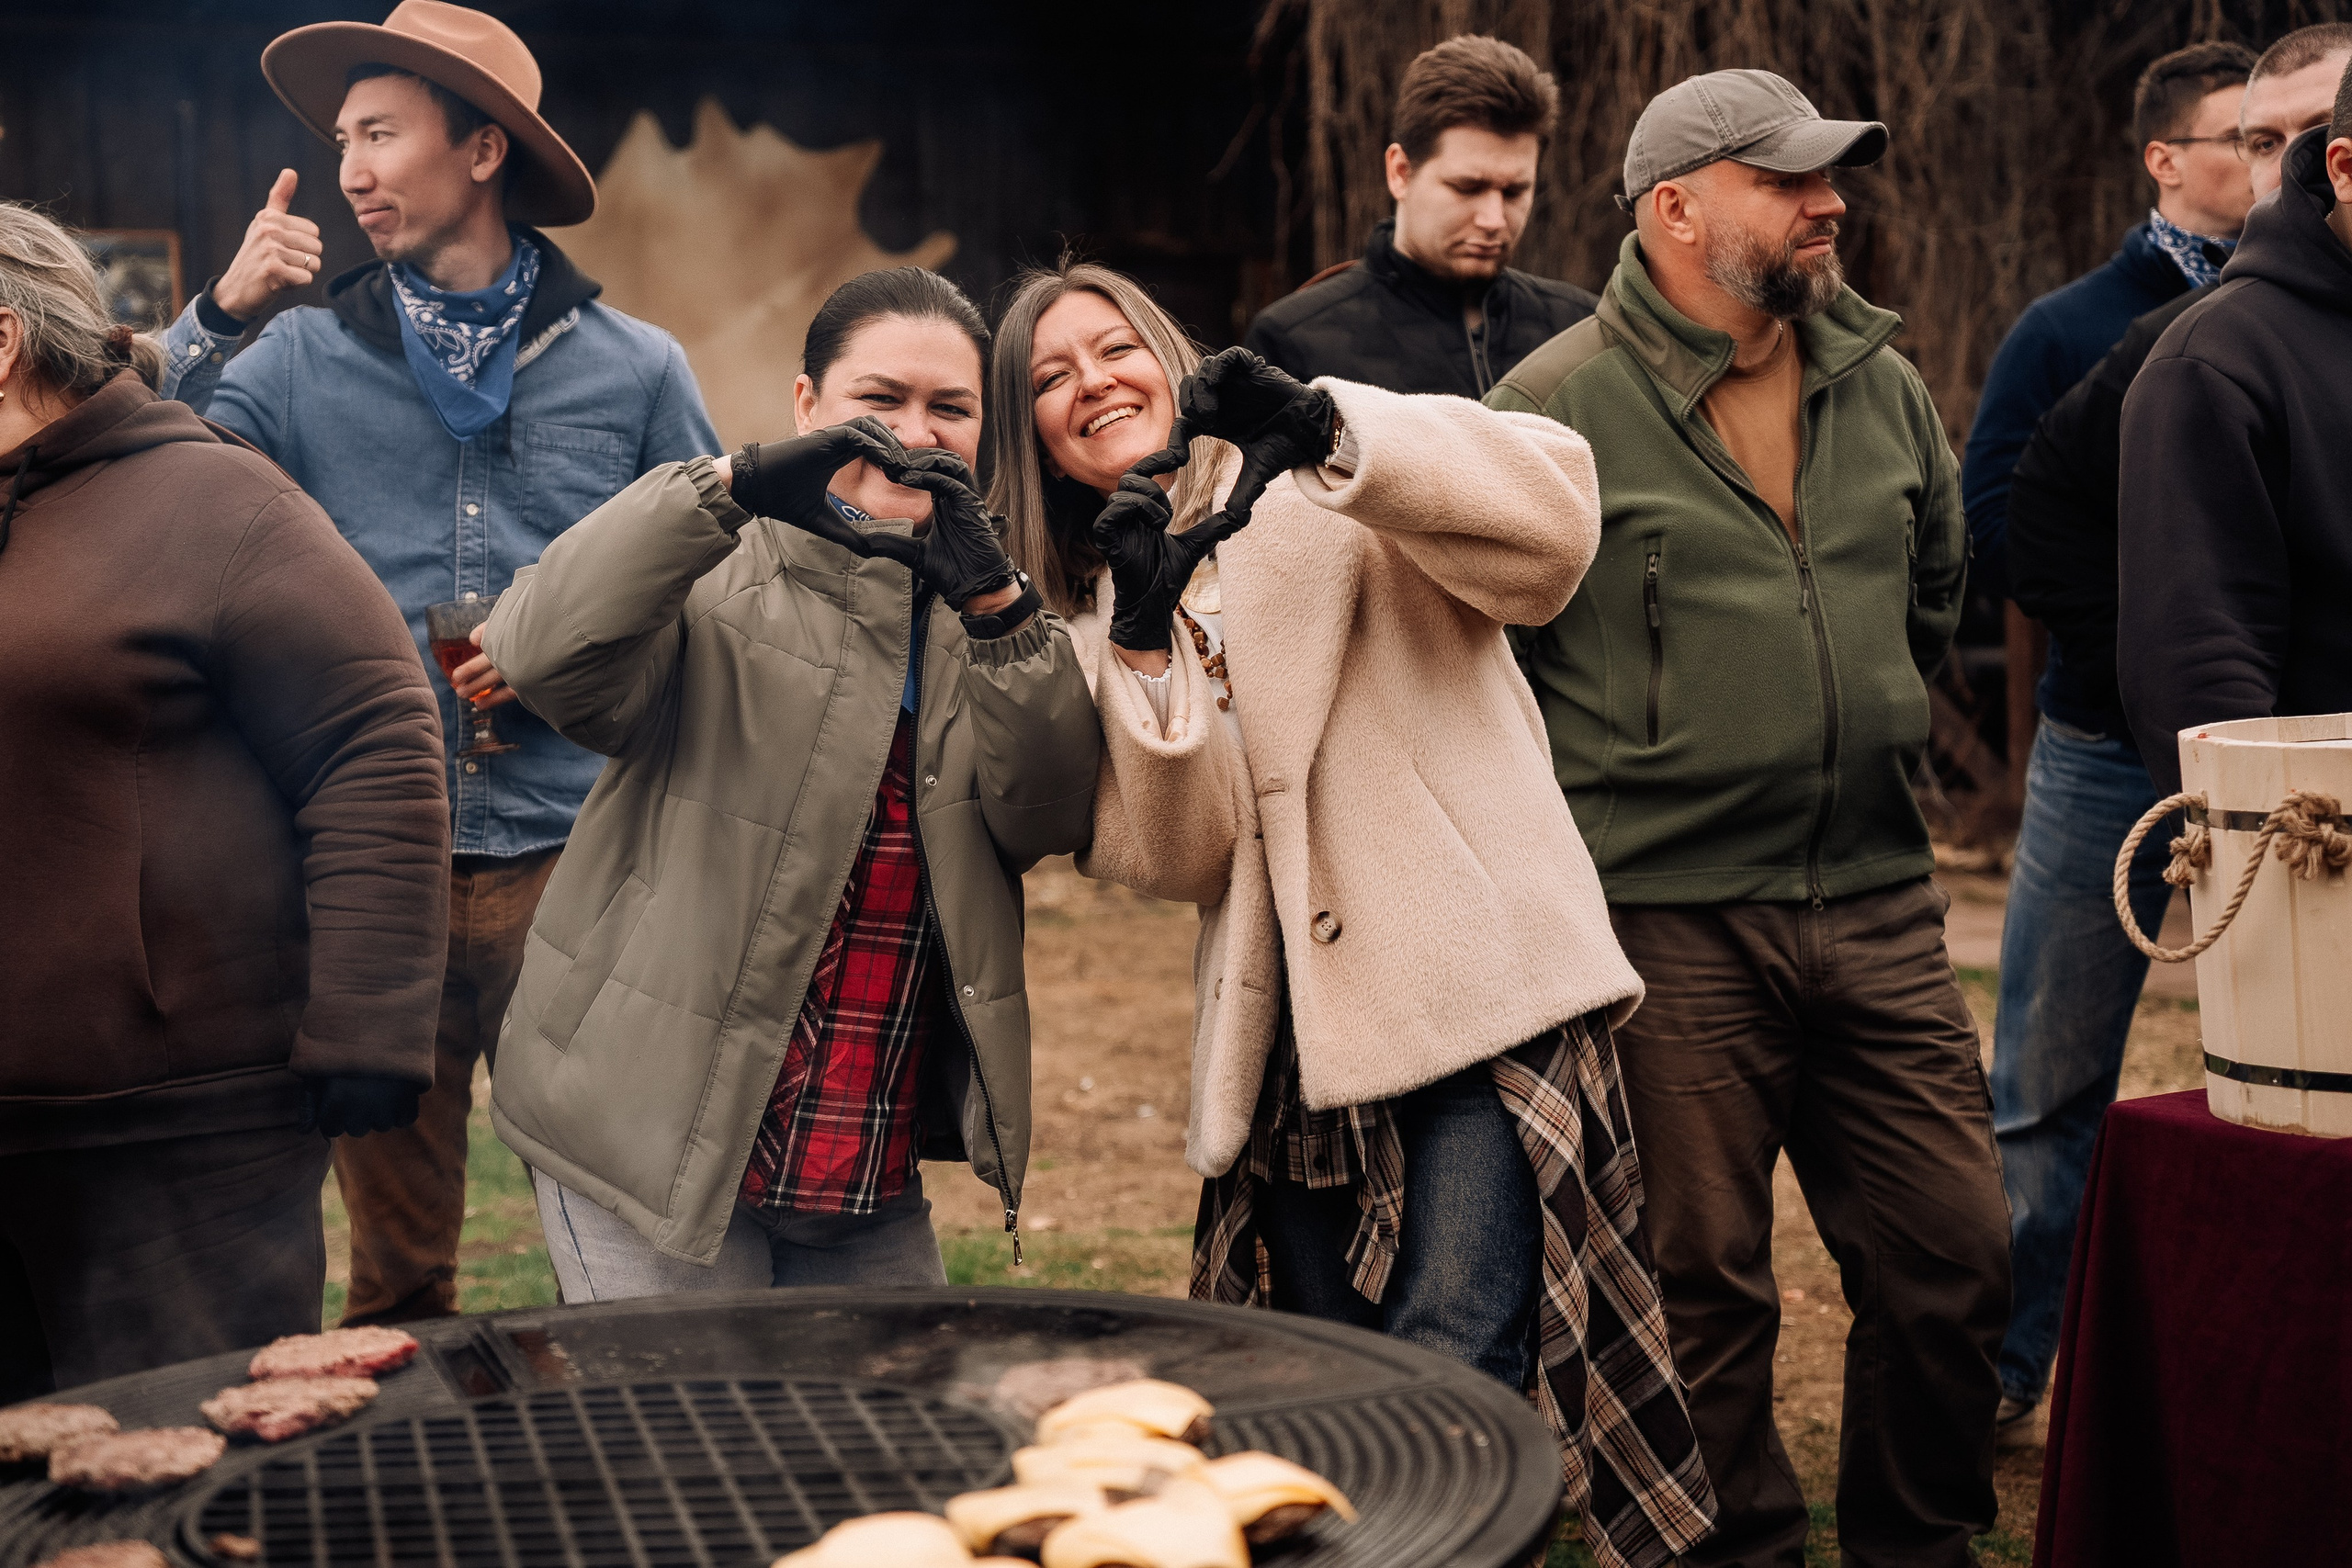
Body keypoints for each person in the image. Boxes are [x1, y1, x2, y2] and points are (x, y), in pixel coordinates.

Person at [992, 259, 1714, 1568]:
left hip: (1474, 987)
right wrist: (1148, 640)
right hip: (1294, 1042)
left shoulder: (1330, 464)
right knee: (1322, 1397)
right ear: (1029, 430)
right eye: (1049, 378)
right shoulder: (1096, 609)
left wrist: (1336, 429)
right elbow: (1183, 851)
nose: (1089, 383)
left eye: (1111, 350)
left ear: (1168, 353)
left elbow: (1554, 529)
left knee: (1456, 1360)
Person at [1489, 71, 2008, 1567]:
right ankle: (1735, 1553)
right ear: (1674, 208)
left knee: (1955, 1255)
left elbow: (1933, 587)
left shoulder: (1880, 378)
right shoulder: (1556, 412)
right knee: (1696, 1282)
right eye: (1787, 179)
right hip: (1664, 919)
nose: (1827, 200)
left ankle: (1918, 1543)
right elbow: (1495, 668)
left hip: (1880, 899)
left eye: (1830, 176)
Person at [154, 1, 721, 1327]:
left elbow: (715, 580)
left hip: (579, 861)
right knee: (398, 1273)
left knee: (620, 1230)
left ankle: (636, 1488)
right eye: (341, 139)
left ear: (480, 151)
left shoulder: (638, 369)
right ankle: (407, 1503)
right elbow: (138, 466)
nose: (350, 169)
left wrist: (575, 652)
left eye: (379, 133)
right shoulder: (291, 356)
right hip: (368, 871)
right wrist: (219, 309)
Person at [480, 268, 1099, 1299]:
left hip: (859, 1157)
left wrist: (996, 605)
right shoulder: (711, 564)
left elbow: (1047, 815)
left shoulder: (988, 618)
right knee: (687, 1455)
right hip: (646, 1140)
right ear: (807, 404)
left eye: (950, 409)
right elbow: (540, 655)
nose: (914, 431)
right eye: (879, 400)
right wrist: (724, 485)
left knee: (888, 1457)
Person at [0, 203, 447, 1400]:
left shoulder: (217, 504)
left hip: (176, 1133)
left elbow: (377, 743)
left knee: (181, 1463)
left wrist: (367, 1026)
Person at [1993, 20, 2352, 1449]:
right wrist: (2130, 664)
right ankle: (2008, 1374)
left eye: (2287, 137)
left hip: (2291, 756)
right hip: (2131, 752)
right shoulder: (2124, 329)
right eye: (2252, 139)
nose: (2271, 168)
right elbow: (2026, 526)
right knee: (2052, 1091)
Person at [2120, 69, 2352, 788]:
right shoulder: (2212, 363)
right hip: (2321, 846)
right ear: (2345, 169)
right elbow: (2200, 667)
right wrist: (2277, 854)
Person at [1960, 40, 2255, 601]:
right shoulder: (2060, 329)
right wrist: (2142, 610)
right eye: (2244, 141)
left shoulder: (2314, 298)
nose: (2279, 160)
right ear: (2164, 162)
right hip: (2125, 673)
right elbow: (1992, 534)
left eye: (2282, 141)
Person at [1240, 35, 1593, 396]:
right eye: (1467, 187)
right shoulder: (1293, 343)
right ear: (1400, 172)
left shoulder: (1584, 331)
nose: (1494, 220)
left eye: (1514, 191)